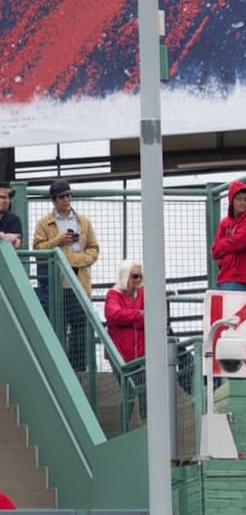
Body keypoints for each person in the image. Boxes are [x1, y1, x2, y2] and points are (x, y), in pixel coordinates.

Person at [33, 179, 100, 371]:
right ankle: (59, 368)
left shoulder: (83, 222)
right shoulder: (44, 223)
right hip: (57, 283)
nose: (67, 200)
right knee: (58, 328)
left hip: (80, 282)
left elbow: (94, 249)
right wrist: (58, 240)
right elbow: (37, 249)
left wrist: (75, 261)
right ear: (54, 200)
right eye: (62, 196)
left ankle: (78, 369)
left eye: (69, 195)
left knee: (81, 328)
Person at [105, 259, 147, 421]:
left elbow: (153, 315)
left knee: (144, 391)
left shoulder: (142, 293)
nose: (138, 280)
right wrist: (138, 315)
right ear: (125, 276)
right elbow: (114, 315)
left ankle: (146, 424)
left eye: (140, 276)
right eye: (135, 276)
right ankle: (125, 427)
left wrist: (131, 317)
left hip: (140, 355)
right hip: (120, 355)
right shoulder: (113, 294)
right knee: (129, 390)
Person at [210, 181, 246, 291]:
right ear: (231, 201)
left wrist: (224, 246)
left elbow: (240, 242)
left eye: (245, 199)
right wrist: (230, 245)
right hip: (224, 276)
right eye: (238, 199)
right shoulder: (225, 222)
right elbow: (215, 251)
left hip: (241, 276)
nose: (242, 203)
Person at [0, 182, 22, 247]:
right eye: (1, 197)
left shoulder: (14, 219)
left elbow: (17, 244)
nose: (4, 201)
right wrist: (3, 237)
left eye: (7, 198)